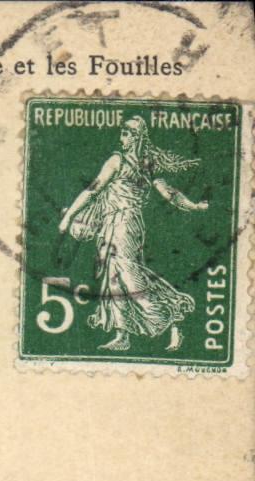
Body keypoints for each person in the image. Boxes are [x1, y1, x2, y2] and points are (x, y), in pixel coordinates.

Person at [59, 115, 208, 352]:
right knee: (114, 277)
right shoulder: (126, 161)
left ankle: (173, 319)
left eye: (128, 132)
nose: (123, 136)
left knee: (128, 277)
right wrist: (70, 215)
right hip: (115, 224)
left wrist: (193, 206)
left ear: (138, 136)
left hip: (125, 224)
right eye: (123, 131)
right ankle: (123, 335)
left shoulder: (130, 162)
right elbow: (93, 191)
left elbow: (168, 193)